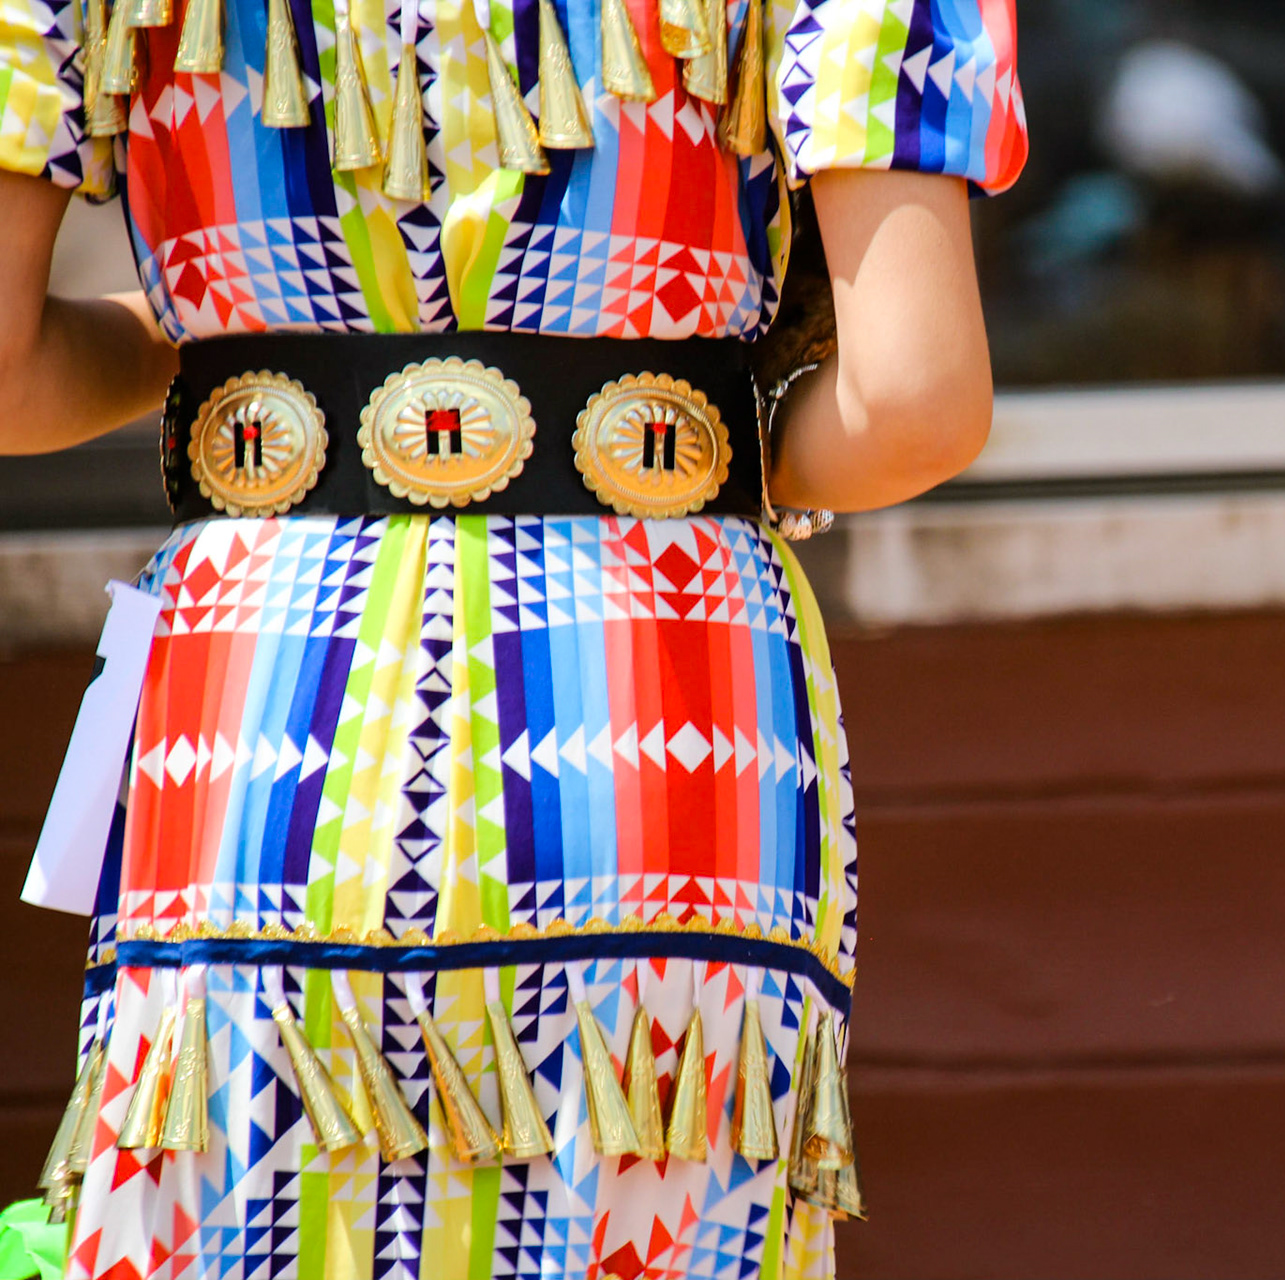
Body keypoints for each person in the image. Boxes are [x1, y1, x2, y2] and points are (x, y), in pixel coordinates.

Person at [0, 0, 1026, 1271]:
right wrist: (672, 449)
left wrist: (215, 336)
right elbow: (913, 400)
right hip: (663, 713)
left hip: (252, 725)